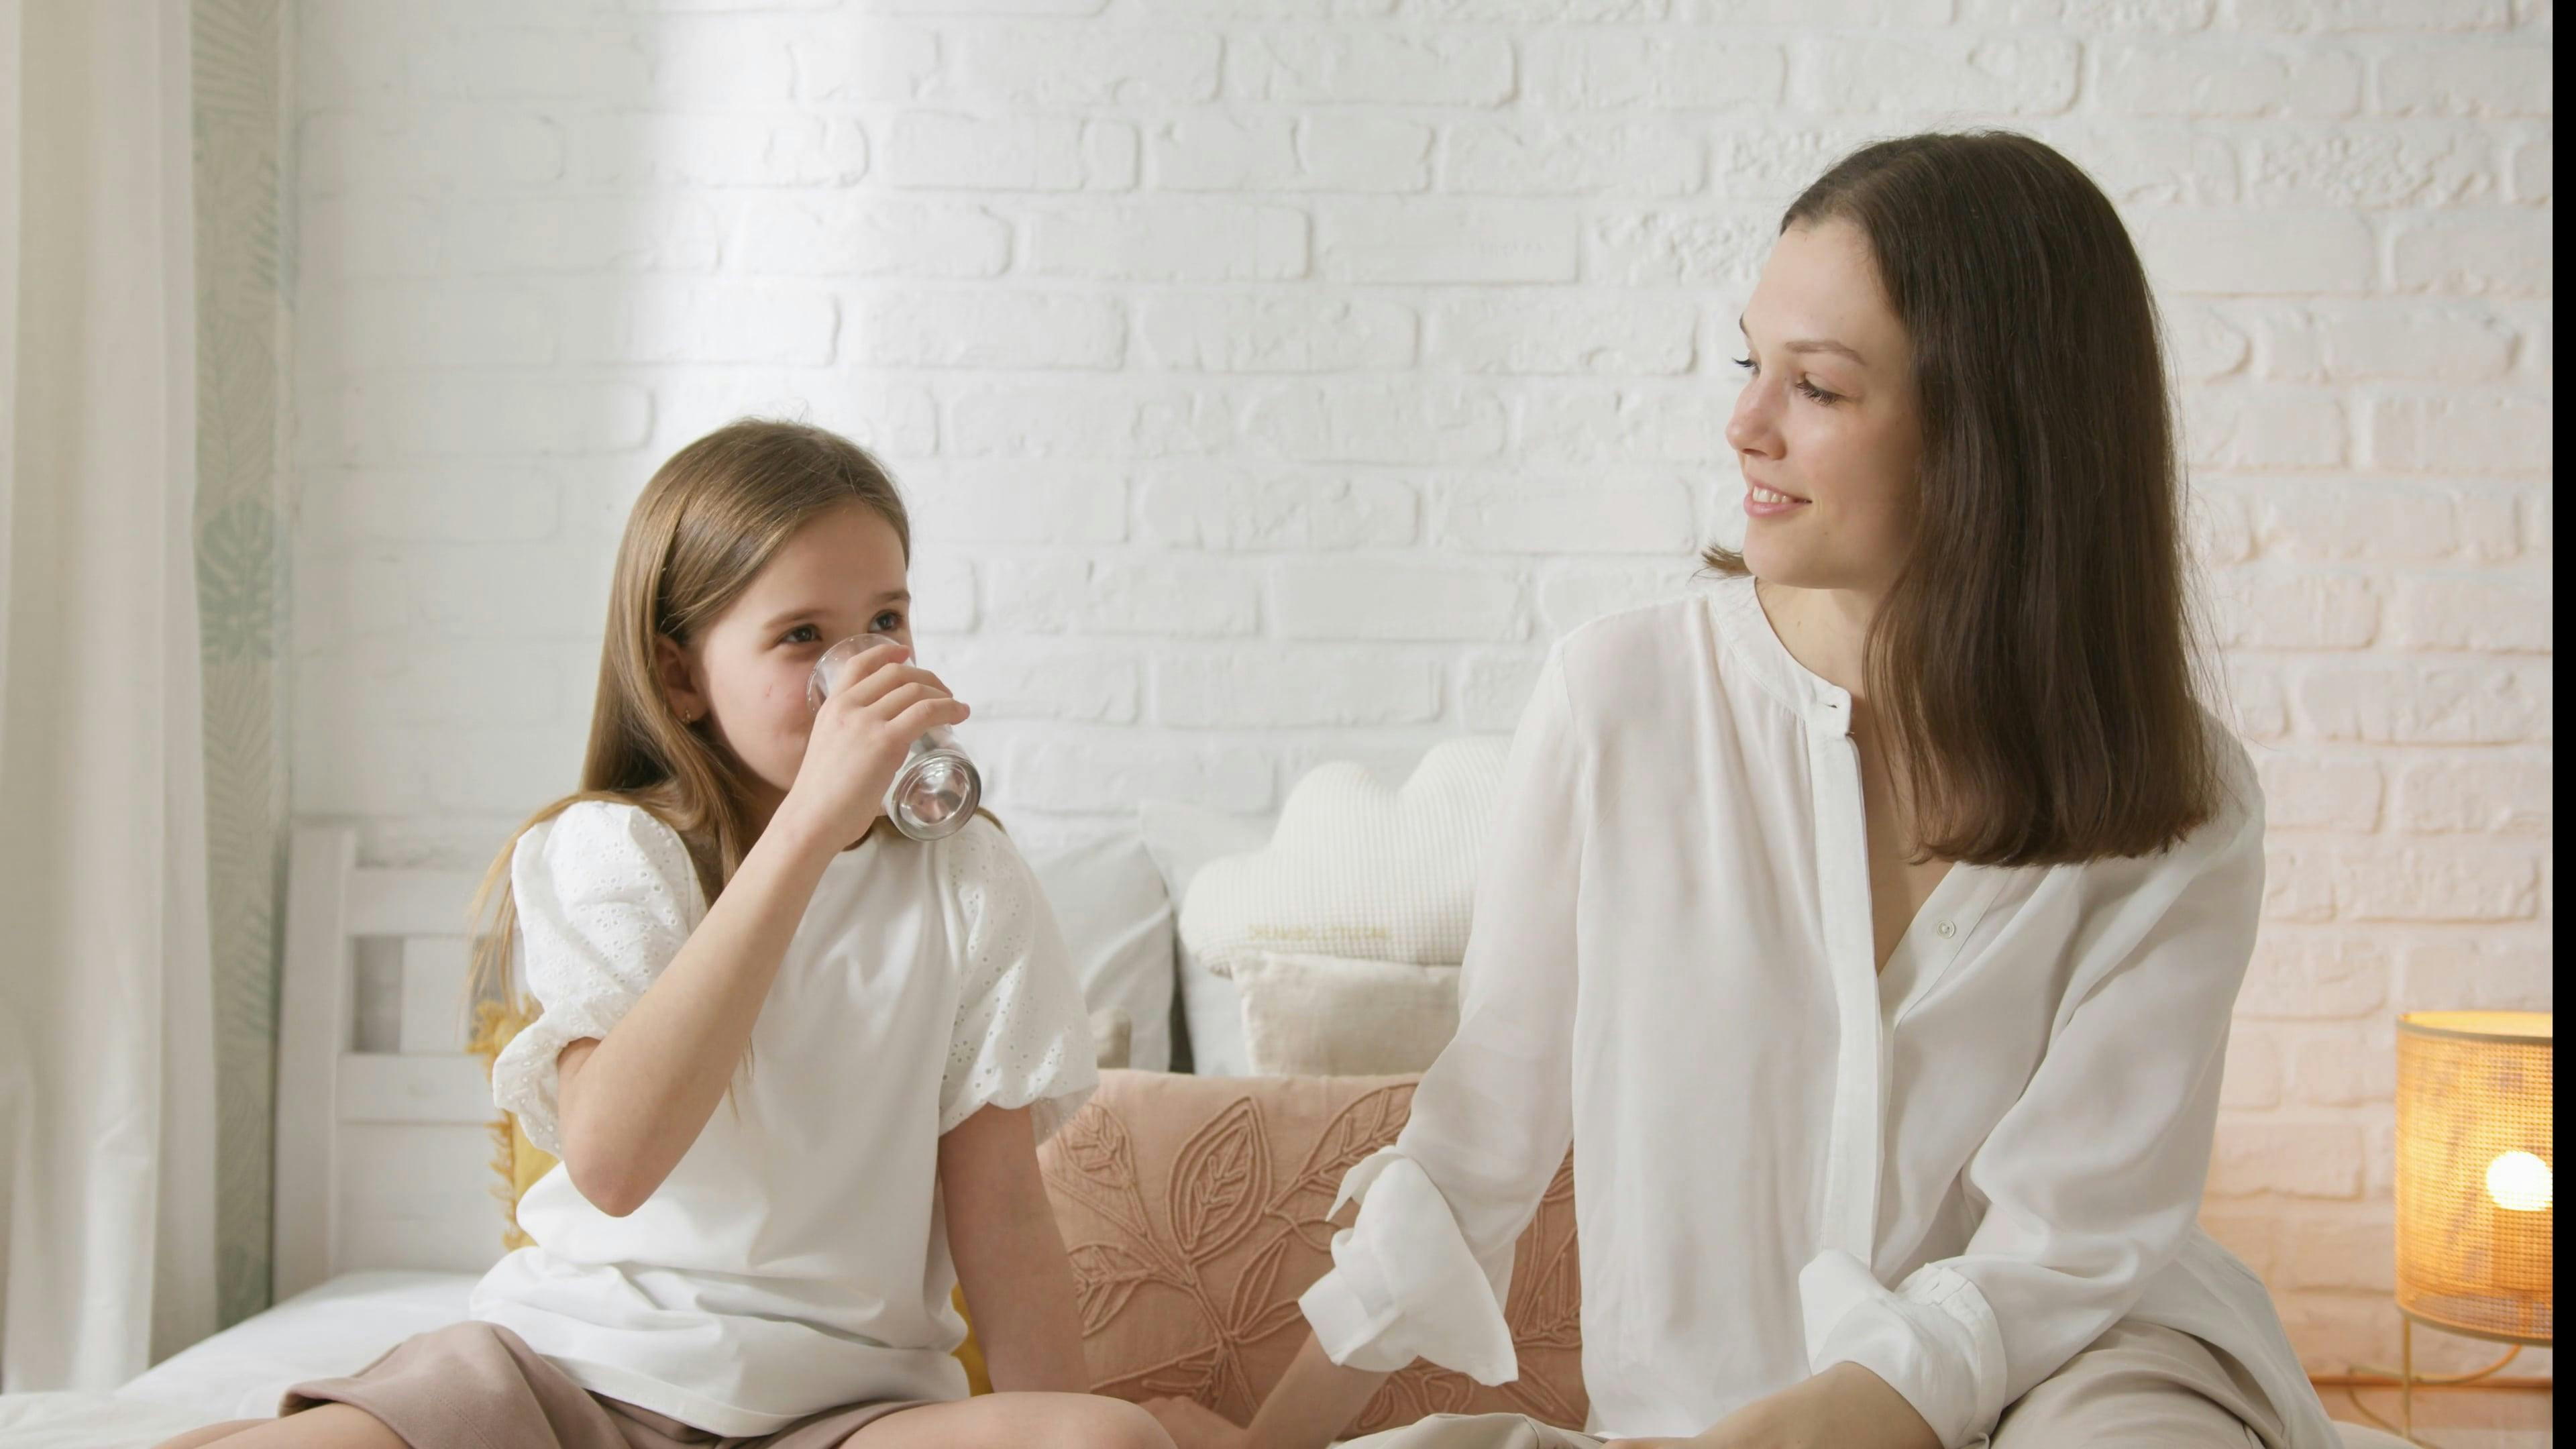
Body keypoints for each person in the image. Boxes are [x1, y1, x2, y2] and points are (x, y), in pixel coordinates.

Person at [1147, 132, 2341, 1449]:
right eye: (1749, 363)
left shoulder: (2180, 793)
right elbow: (1476, 1150)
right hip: (1712, 1416)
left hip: (2076, 1376)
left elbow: (2070, 1245)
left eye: (1818, 388)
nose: (1744, 424)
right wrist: (1267, 1445)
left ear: (1997, 429)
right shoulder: (1623, 703)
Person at [157, 420, 1174, 1449]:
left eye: (885, 620)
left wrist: (1064, 1419)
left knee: (1112, 1441)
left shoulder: (967, 880)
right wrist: (809, 831)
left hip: (839, 1414)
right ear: (681, 677)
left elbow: (1003, 1221)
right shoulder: (615, 849)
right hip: (563, 1388)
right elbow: (613, 1162)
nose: (858, 666)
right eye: (802, 637)